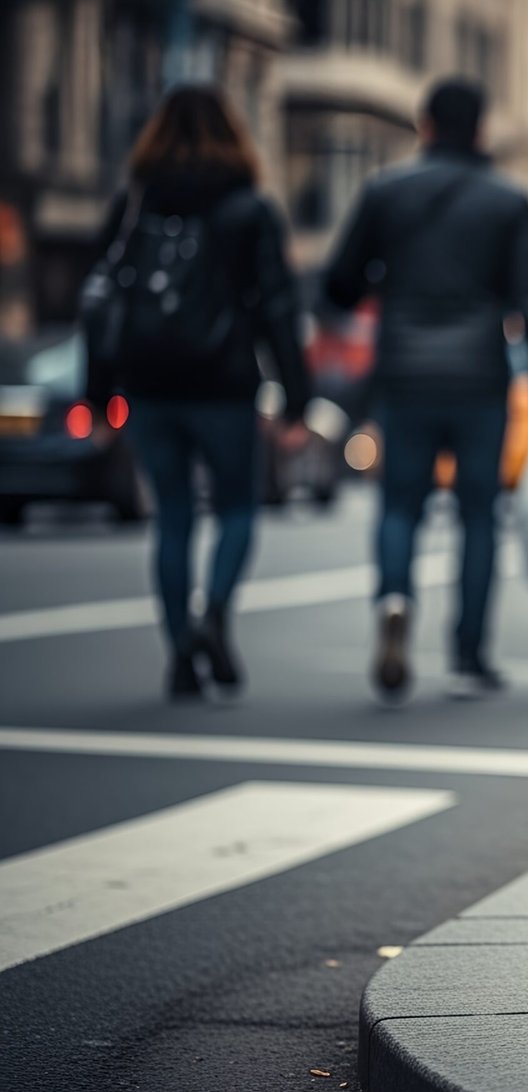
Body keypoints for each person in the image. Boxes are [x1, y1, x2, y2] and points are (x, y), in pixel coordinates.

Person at [325, 78, 528, 703]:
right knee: (478, 514)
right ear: (481, 129)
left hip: (404, 372)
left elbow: (338, 284)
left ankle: (396, 597)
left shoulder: (385, 192)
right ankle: (468, 654)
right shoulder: (509, 201)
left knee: (400, 502)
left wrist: (388, 277)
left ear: (424, 125)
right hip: (481, 377)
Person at [84, 84, 309, 701]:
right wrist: (296, 398)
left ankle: (181, 651)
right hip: (224, 384)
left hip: (150, 383)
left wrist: (98, 398)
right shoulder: (249, 209)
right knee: (237, 509)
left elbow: (100, 306)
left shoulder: (133, 205)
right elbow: (279, 308)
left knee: (174, 518)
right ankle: (215, 616)